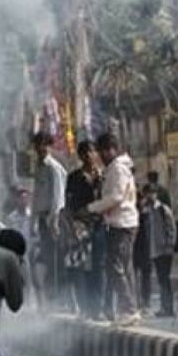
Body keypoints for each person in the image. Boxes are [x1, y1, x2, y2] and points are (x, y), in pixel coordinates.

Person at [86, 133, 141, 325]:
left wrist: (92, 208)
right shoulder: (115, 168)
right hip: (120, 222)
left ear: (111, 150)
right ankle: (130, 309)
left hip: (122, 223)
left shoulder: (118, 168)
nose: (100, 156)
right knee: (124, 267)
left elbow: (116, 197)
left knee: (115, 266)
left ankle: (129, 308)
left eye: (102, 151)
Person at [65, 140, 104, 319]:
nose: (89, 155)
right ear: (81, 156)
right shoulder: (74, 178)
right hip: (80, 227)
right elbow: (69, 205)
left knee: (98, 267)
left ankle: (98, 308)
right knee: (82, 268)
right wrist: (72, 226)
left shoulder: (102, 177)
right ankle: (85, 307)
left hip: (99, 226)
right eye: (85, 152)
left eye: (92, 151)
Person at [29, 131, 67, 309]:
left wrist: (54, 221)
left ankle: (59, 298)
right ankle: (50, 297)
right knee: (47, 258)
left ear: (49, 147)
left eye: (43, 145)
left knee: (56, 260)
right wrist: (33, 221)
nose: (40, 148)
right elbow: (36, 197)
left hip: (53, 219)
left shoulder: (53, 168)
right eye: (37, 145)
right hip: (42, 219)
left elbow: (58, 197)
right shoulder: (39, 168)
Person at [142, 184, 178, 317]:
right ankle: (164, 307)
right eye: (147, 193)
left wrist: (169, 245)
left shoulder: (163, 209)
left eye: (151, 193)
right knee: (161, 279)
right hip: (155, 250)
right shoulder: (147, 211)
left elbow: (171, 228)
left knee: (164, 279)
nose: (149, 196)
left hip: (164, 250)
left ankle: (168, 308)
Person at [134, 182, 154, 314]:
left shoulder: (151, 209)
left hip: (147, 246)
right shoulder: (133, 209)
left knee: (146, 275)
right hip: (135, 246)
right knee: (134, 274)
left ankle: (145, 302)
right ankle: (137, 301)